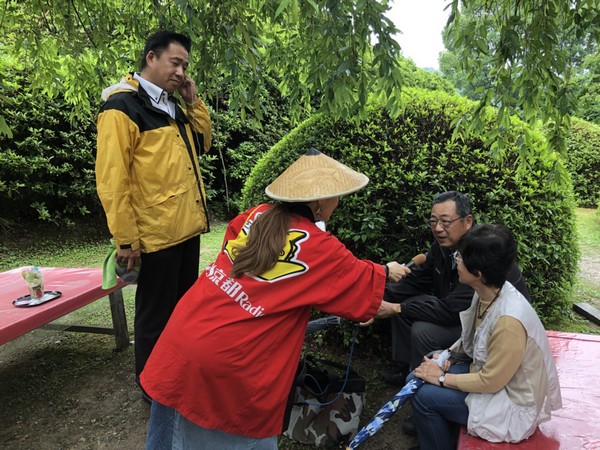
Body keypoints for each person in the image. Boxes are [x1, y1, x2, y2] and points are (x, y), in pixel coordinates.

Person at [140, 148, 404, 450]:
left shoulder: (256, 215)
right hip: (228, 362)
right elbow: (359, 286)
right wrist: (388, 281)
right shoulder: (320, 247)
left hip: (187, 330)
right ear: (319, 202)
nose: (339, 202)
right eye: (337, 196)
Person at [95, 30, 212, 400]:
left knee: (183, 311)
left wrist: (193, 102)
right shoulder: (122, 108)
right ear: (151, 58)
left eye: (185, 66)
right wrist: (126, 241)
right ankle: (151, 387)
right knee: (154, 317)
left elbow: (202, 144)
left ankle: (176, 375)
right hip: (155, 235)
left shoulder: (173, 105)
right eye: (175, 63)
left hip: (186, 228)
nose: (181, 72)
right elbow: (113, 181)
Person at [409, 224, 562, 450]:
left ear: (478, 273)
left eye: (460, 257)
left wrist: (441, 378)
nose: (456, 261)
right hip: (493, 383)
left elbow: (491, 381)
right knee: (417, 376)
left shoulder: (509, 323)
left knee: (424, 396)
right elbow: (474, 338)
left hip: (510, 405)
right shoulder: (488, 291)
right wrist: (447, 356)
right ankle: (437, 436)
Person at [382, 191, 530, 387]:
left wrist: (396, 308)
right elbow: (417, 280)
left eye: (445, 222)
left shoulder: (479, 253)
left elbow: (452, 310)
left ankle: (426, 382)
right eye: (433, 221)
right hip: (461, 313)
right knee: (408, 306)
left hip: (484, 325)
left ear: (467, 221)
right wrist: (376, 296)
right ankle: (410, 369)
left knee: (422, 330)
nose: (438, 228)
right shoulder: (441, 247)